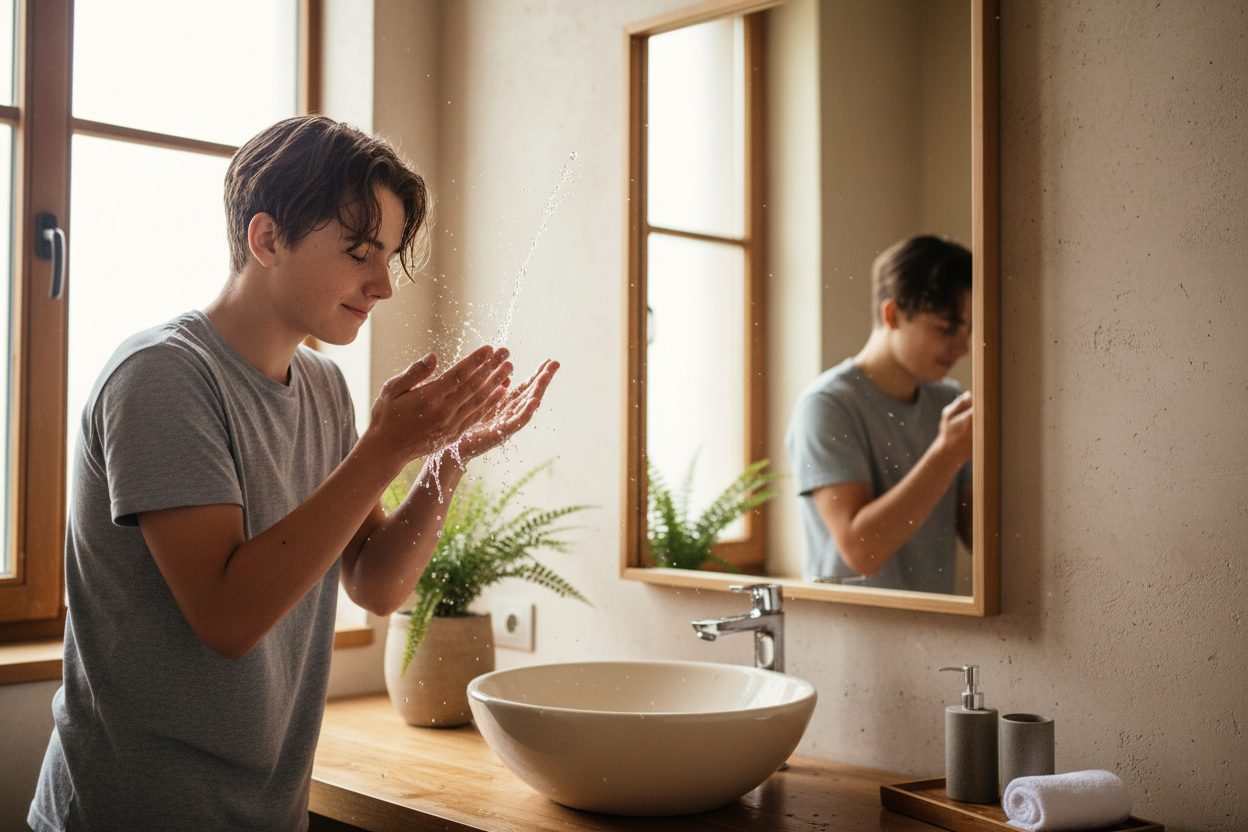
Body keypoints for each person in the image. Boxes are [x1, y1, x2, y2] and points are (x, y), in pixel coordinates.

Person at [28, 115, 558, 832]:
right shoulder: (160, 377)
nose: (383, 285)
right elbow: (227, 617)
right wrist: (382, 451)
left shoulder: (323, 388)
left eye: (391, 255)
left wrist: (447, 458)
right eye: (360, 252)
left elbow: (375, 584)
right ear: (266, 238)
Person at [785, 235, 972, 592]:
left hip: (939, 629)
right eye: (946, 328)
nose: (962, 346)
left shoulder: (948, 399)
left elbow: (978, 535)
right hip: (854, 634)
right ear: (892, 314)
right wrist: (948, 453)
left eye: (968, 330)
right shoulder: (826, 405)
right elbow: (861, 551)